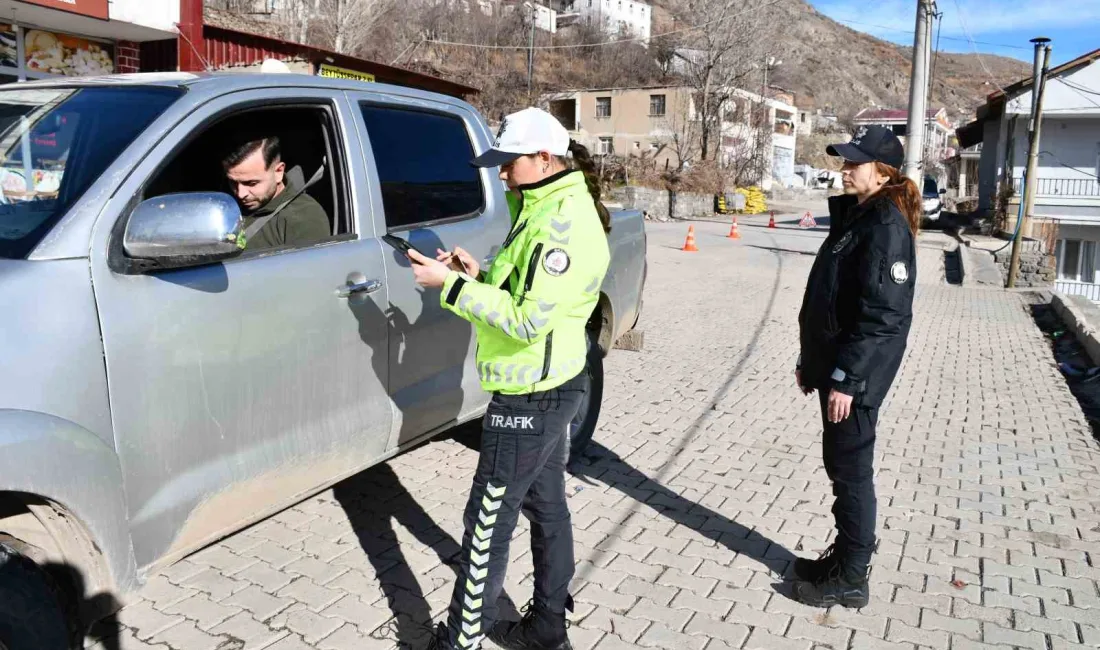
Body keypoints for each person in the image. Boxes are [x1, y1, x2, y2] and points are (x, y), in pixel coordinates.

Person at [407, 107, 611, 650]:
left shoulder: (561, 223)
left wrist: (446, 287)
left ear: (544, 158)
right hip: (552, 384)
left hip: (532, 393)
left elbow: (526, 319)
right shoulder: (543, 202)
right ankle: (547, 629)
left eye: (507, 162)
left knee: (487, 519)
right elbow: (520, 286)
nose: (500, 173)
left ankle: (462, 640)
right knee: (545, 506)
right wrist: (477, 274)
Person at [793, 124, 919, 608]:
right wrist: (813, 361)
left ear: (882, 171)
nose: (844, 171)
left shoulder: (885, 225)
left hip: (857, 380)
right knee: (840, 465)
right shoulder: (860, 216)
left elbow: (884, 316)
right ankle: (843, 556)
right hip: (838, 371)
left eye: (854, 163)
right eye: (845, 162)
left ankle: (851, 575)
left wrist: (847, 378)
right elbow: (834, 301)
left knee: (851, 471)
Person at [221, 134, 330, 250]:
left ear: (278, 172)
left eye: (251, 183)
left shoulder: (303, 217)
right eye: (233, 182)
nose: (240, 194)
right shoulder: (224, 205)